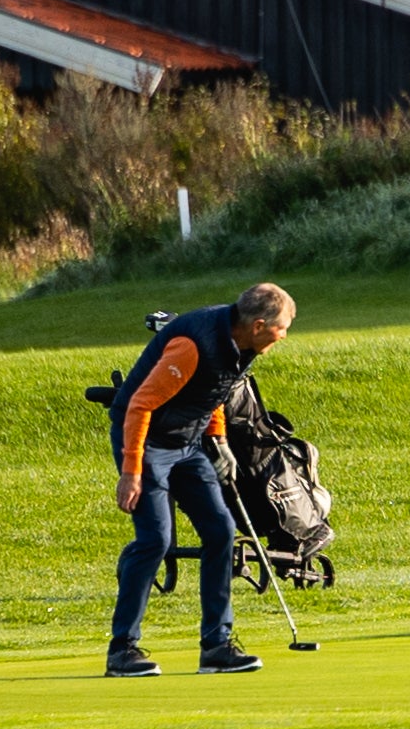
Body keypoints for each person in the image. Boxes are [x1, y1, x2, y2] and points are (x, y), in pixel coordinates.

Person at [105, 281, 293, 675]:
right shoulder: (193, 345)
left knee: (221, 530)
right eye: (282, 328)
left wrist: (219, 440)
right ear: (259, 325)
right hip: (147, 441)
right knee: (155, 540)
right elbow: (139, 405)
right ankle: (122, 650)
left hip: (188, 443)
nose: (284, 335)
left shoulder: (241, 345)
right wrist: (131, 471)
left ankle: (216, 645)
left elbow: (214, 392)